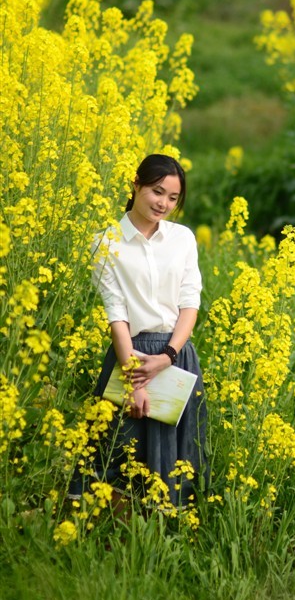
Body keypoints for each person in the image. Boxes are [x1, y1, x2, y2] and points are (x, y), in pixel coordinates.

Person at [70, 153, 207, 508]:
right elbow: (117, 315)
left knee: (178, 463)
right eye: (157, 192)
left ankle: (171, 537)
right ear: (136, 185)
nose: (164, 203)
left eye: (173, 198)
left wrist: (168, 356)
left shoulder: (182, 239)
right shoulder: (105, 242)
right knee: (116, 453)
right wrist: (135, 380)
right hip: (129, 354)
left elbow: (190, 303)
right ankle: (106, 536)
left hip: (176, 356)